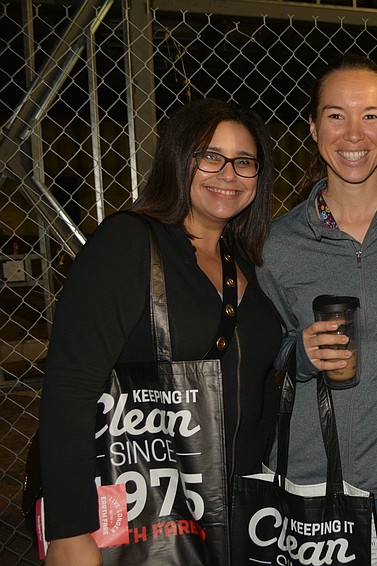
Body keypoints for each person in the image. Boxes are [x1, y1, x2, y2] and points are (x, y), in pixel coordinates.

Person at [38, 98, 282, 565]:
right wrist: (70, 530)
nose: (227, 174)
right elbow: (70, 384)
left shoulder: (248, 261)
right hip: (148, 512)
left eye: (244, 162)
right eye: (210, 156)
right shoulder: (128, 244)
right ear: (178, 160)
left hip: (235, 513)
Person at [257, 53, 377, 566]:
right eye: (336, 114)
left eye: (370, 115)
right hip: (310, 471)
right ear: (314, 127)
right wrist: (297, 353)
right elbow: (262, 351)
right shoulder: (278, 243)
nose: (353, 133)